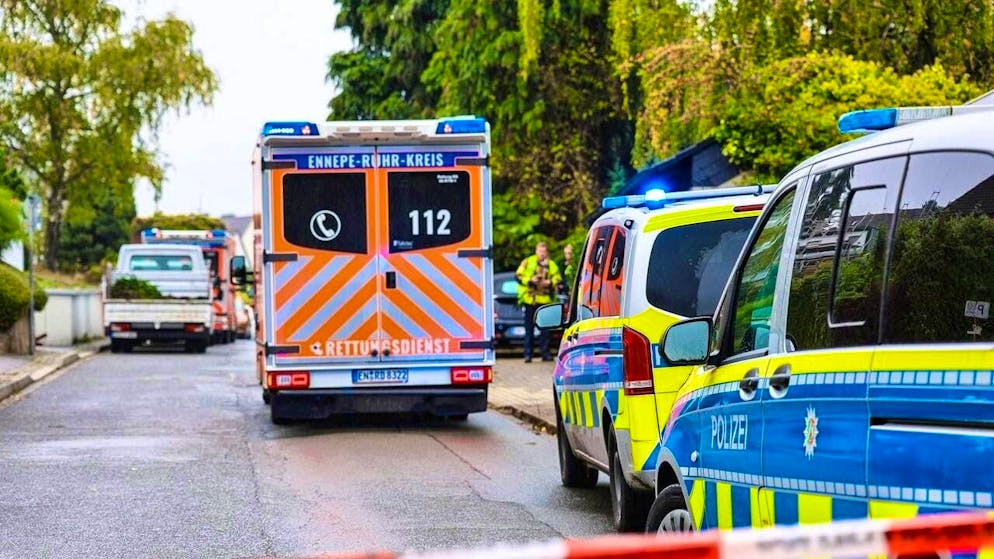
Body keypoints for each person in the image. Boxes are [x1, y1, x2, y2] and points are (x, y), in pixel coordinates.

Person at [516, 242, 561, 362]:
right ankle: (528, 355)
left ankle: (545, 354)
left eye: (544, 251)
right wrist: (530, 280)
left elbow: (557, 278)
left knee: (545, 331)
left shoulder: (551, 265)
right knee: (529, 329)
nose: (541, 254)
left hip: (544, 300)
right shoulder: (528, 262)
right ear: (536, 251)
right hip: (530, 300)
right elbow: (518, 276)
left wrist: (550, 282)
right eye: (540, 251)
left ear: (546, 252)